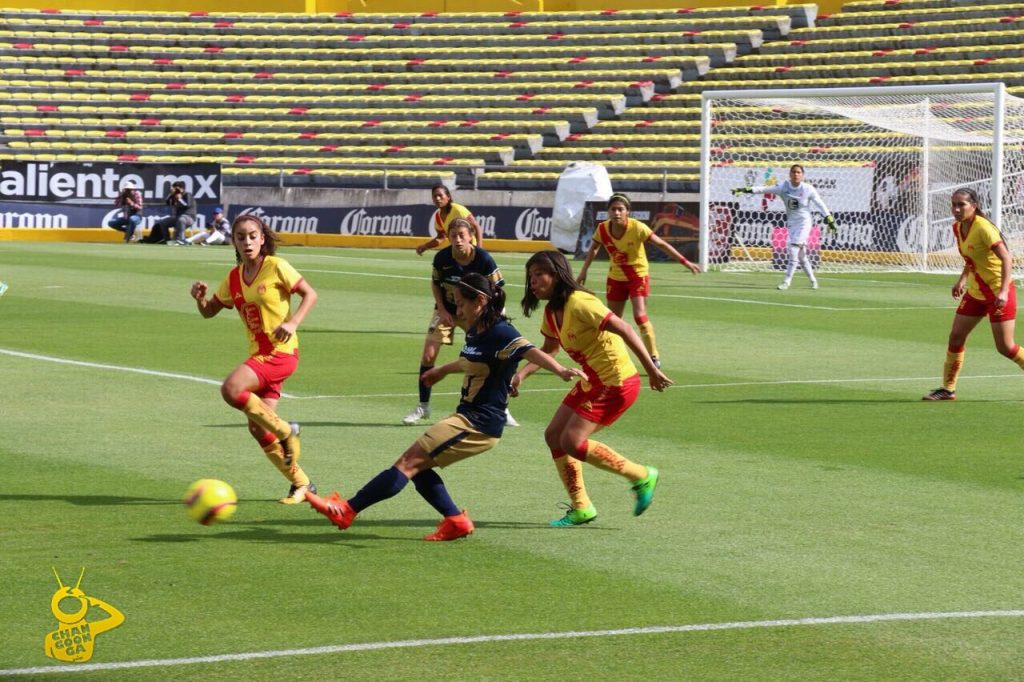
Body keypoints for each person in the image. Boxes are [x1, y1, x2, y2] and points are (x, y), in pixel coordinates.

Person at [305, 273, 583, 540]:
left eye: (462, 303)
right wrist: (442, 371)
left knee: (406, 463)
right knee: (418, 469)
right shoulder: (477, 330)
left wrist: (559, 370)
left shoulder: (501, 331)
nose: (458, 310)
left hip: (480, 424)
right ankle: (455, 521)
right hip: (468, 417)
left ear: (480, 302)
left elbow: (530, 350)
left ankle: (347, 510)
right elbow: (468, 361)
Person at [513, 250, 672, 527]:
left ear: (556, 274)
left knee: (572, 442)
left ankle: (641, 475)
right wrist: (522, 374)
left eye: (539, 275)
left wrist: (651, 370)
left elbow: (624, 327)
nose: (533, 282)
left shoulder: (581, 302)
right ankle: (581, 507)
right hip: (594, 381)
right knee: (553, 435)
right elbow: (550, 348)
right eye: (531, 277)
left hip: (617, 382)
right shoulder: (551, 313)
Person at [189, 214, 319, 504]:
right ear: (233, 241)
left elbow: (310, 294)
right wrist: (200, 298)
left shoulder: (276, 266)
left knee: (231, 389)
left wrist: (293, 322)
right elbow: (210, 311)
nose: (247, 242)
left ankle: (287, 432)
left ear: (262, 238)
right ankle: (302, 483)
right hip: (260, 355)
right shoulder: (233, 277)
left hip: (280, 353)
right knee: (257, 427)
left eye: (252, 236)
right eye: (240, 237)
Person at [403, 218, 520, 427]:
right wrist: (440, 307)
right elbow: (436, 283)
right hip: (447, 311)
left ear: (470, 237)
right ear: (448, 237)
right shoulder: (442, 258)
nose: (457, 240)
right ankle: (423, 406)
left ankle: (502, 408)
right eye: (453, 236)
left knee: (490, 358)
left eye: (461, 236)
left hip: (474, 315)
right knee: (428, 355)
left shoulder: (484, 259)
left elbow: (498, 289)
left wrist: (496, 318)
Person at [576, 192, 700, 369]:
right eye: (613, 209)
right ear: (608, 212)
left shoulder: (637, 227)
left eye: (620, 209)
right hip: (615, 277)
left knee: (639, 316)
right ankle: (609, 356)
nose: (616, 213)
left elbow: (662, 244)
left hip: (637, 275)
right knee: (612, 321)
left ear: (627, 211)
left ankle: (653, 357)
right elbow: (594, 248)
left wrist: (685, 262)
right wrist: (583, 272)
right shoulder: (603, 229)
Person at [923, 187, 1024, 400]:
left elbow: (1006, 258)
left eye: (962, 205)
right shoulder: (957, 227)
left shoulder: (984, 228)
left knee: (1006, 347)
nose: (957, 209)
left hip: (997, 292)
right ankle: (948, 389)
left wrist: (1004, 291)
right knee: (956, 336)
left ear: (974, 206)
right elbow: (972, 258)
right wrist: (961, 280)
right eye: (954, 204)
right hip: (976, 292)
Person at [732, 164, 837, 290]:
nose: (796, 174)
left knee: (793, 249)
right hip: (792, 224)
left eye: (798, 172)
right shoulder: (783, 187)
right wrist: (744, 190)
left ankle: (787, 281)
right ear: (790, 174)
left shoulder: (808, 189)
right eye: (793, 172)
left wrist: (829, 218)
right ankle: (813, 280)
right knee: (801, 255)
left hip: (804, 222)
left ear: (802, 175)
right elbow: (763, 189)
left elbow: (820, 204)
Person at [415, 184, 484, 256]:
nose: (437, 198)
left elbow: (476, 227)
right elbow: (440, 238)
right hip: (457, 251)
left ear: (448, 197)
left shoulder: (458, 210)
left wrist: (479, 250)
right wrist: (425, 246)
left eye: (440, 195)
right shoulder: (438, 216)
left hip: (470, 250)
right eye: (435, 196)